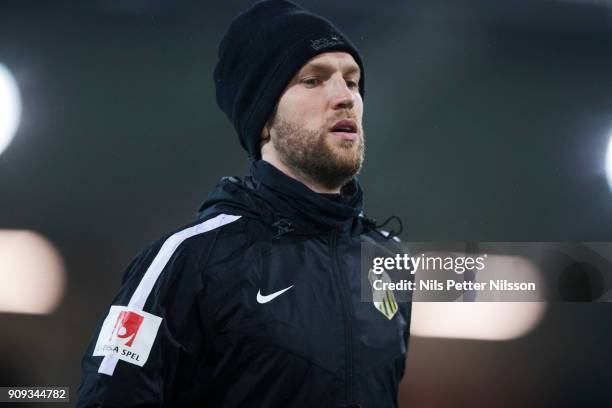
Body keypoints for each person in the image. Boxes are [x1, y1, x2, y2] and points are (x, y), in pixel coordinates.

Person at [76, 1, 411, 407]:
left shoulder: (388, 260)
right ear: (264, 118)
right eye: (313, 79)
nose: (345, 98)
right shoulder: (191, 259)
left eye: (353, 81)